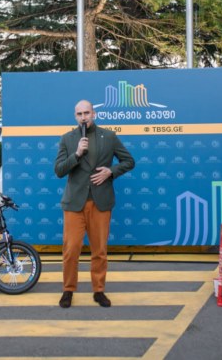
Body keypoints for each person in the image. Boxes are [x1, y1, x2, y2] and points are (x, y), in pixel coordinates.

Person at [54, 99, 135, 308]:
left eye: (87, 113)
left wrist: (111, 171)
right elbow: (59, 170)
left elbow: (129, 161)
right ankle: (68, 290)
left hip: (101, 202)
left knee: (99, 250)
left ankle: (99, 290)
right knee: (71, 249)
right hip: (75, 203)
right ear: (75, 117)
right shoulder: (67, 139)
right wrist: (77, 154)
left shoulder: (109, 136)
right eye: (79, 114)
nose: (83, 117)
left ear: (94, 114)